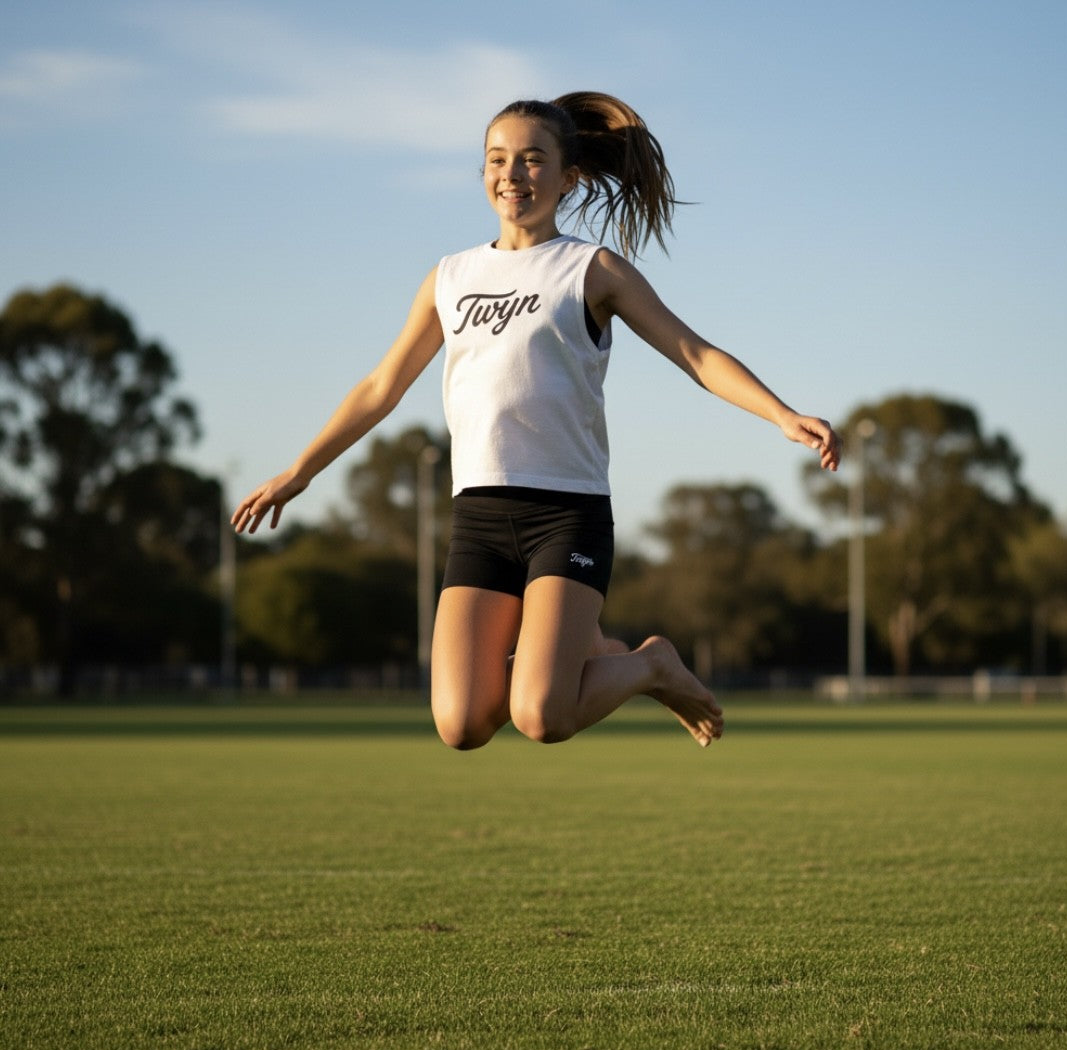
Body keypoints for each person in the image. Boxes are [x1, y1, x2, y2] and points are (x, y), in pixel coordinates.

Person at [232, 92, 841, 751]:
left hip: (567, 513)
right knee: (462, 724)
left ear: (567, 177)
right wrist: (300, 471)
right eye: (497, 160)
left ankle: (650, 665)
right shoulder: (451, 277)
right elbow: (381, 387)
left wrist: (780, 413)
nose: (511, 175)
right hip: (480, 520)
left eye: (530, 160)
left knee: (542, 717)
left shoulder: (592, 269)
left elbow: (693, 353)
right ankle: (602, 650)